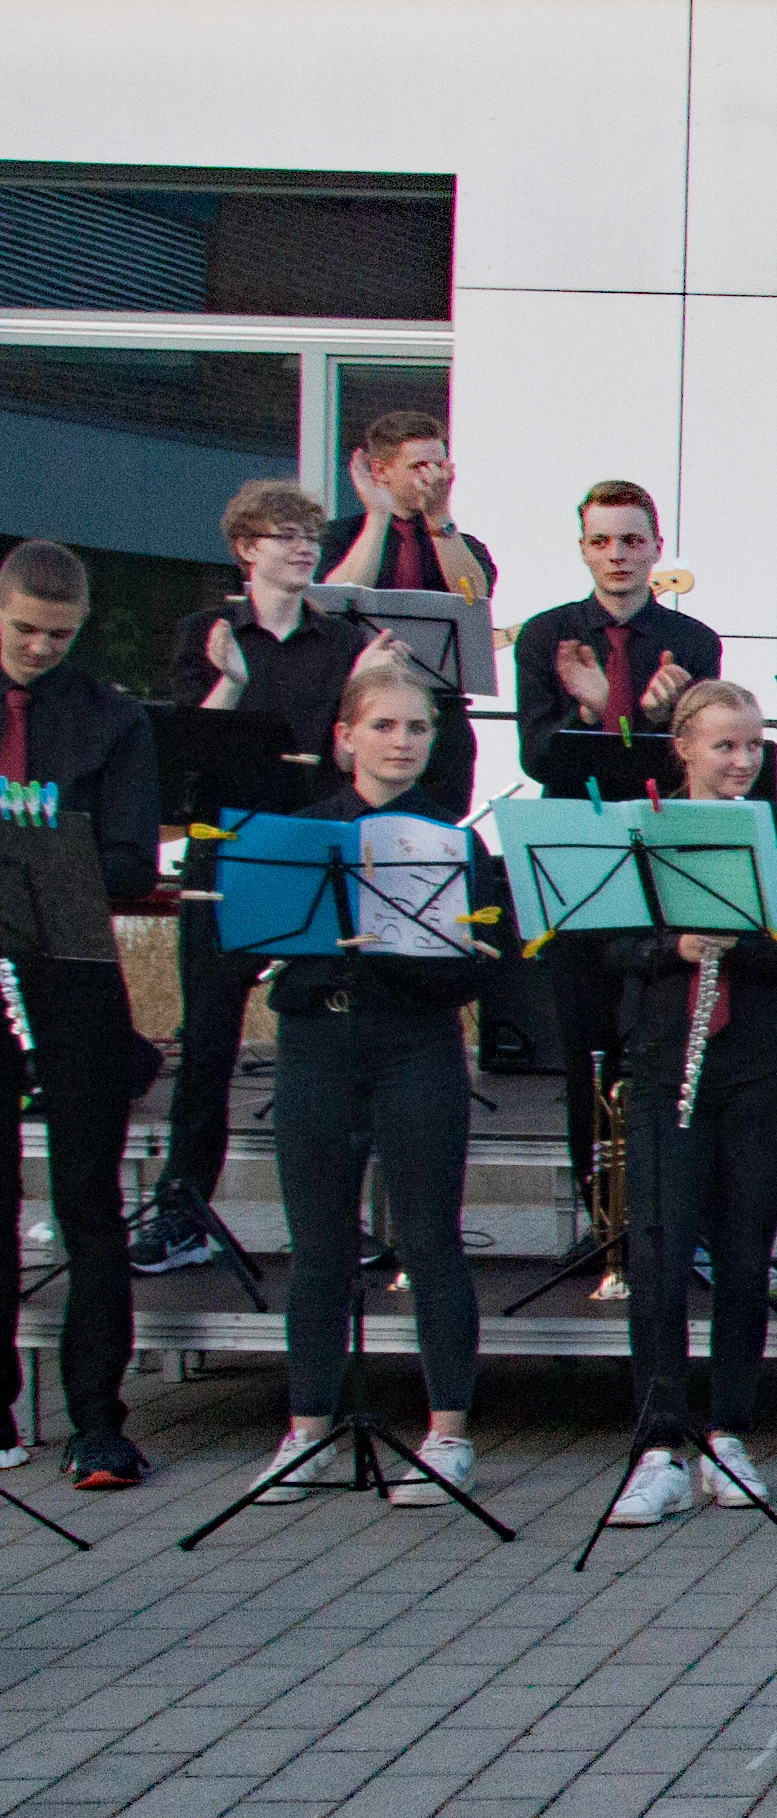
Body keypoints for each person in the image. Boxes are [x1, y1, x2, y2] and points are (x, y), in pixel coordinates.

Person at [137, 481, 430, 1276]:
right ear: (246, 548)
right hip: (228, 847)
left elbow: (350, 757)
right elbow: (190, 747)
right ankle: (184, 1209)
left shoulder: (344, 641)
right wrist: (231, 680)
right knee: (207, 1038)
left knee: (335, 1032)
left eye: (310, 534)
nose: (303, 546)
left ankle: (337, 1221)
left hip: (317, 845)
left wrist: (366, 683)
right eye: (285, 534)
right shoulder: (205, 631)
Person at [240, 661, 495, 1508]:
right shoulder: (301, 832)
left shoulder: (452, 841)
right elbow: (253, 948)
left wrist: (405, 948)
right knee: (318, 1245)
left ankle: (448, 1433)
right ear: (345, 736)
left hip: (415, 1043)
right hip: (318, 1040)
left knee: (430, 1239)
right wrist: (322, 947)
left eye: (417, 728)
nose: (401, 742)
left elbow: (475, 973)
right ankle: (306, 1429)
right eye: (383, 726)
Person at [602, 682, 777, 1525]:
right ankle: (657, 1444)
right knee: (658, 1254)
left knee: (742, 1256)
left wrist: (730, 937)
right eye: (724, 745)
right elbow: (610, 942)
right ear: (684, 747)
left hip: (765, 1063)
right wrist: (677, 944)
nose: (742, 760)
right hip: (668, 1058)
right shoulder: (643, 830)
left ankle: (729, 1433)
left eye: (753, 746)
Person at [513, 481, 722, 1251]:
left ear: (656, 546)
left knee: (665, 1036)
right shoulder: (547, 636)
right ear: (582, 548)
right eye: (601, 541)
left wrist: (659, 720)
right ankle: (602, 1217)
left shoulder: (691, 641)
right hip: (581, 849)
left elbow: (692, 764)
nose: (617, 555)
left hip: (665, 846)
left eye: (632, 540)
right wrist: (591, 710)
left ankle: (670, 1216)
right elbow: (540, 758)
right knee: (587, 1038)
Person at [0, 543, 158, 1487]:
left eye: (58, 635)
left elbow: (134, 857)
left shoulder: (112, 718)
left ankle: (97, 1419)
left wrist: (49, 861)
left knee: (88, 1205)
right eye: (23, 629)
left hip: (73, 975)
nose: (39, 647)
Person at [317, 410, 497, 600]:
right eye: (419, 466)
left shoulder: (461, 544)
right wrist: (378, 515)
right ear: (380, 470)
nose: (432, 476)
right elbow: (336, 599)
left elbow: (473, 597)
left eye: (438, 466)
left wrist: (438, 514)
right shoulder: (335, 537)